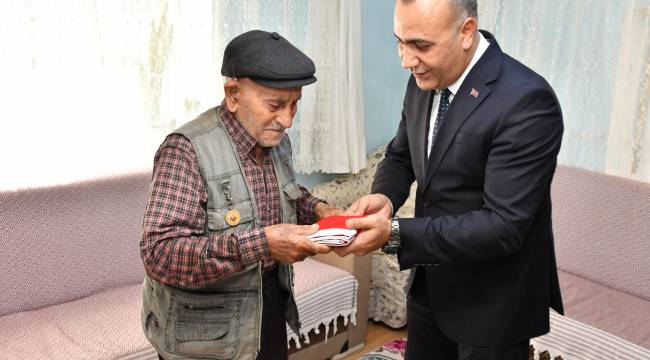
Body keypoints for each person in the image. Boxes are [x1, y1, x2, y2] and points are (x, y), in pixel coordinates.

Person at [337, 1, 564, 359]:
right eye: (399, 41)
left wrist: (395, 233)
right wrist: (384, 198)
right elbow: (401, 154)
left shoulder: (527, 101)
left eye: (420, 45)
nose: (406, 60)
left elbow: (503, 226)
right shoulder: (424, 79)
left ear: (466, 32)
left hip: (492, 303)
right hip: (430, 286)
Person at [139, 30, 343, 360]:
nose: (288, 120)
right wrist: (263, 244)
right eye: (276, 105)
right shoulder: (185, 150)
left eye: (295, 105)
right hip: (203, 333)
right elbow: (160, 253)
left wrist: (318, 209)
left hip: (268, 305)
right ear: (233, 94)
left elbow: (286, 193)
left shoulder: (275, 139)